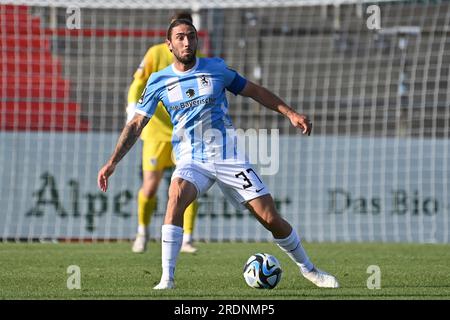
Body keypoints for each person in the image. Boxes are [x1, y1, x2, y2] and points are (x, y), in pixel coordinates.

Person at [98, 19, 339, 290]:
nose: (186, 42)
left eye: (191, 37)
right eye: (180, 38)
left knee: (271, 219)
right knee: (175, 194)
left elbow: (254, 91)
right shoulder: (158, 81)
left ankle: (309, 269)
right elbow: (135, 125)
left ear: (197, 40)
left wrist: (291, 113)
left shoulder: (216, 68)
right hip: (192, 159)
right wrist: (112, 162)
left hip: (228, 157)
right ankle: (167, 279)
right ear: (169, 44)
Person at [126, 12, 199, 254]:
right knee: (150, 186)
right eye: (178, 33)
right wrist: (132, 107)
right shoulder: (155, 53)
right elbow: (138, 83)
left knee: (188, 185)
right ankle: (142, 233)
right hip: (156, 131)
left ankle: (187, 238)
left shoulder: (195, 57)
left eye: (189, 33)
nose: (185, 40)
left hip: (184, 131)